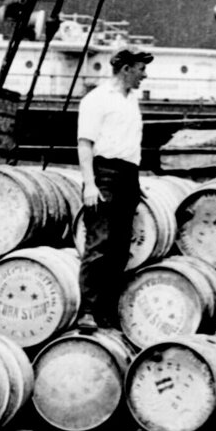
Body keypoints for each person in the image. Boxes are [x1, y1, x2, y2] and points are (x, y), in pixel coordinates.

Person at [75, 46, 153, 332]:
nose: (144, 76)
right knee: (99, 244)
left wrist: (135, 181)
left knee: (121, 249)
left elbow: (127, 144)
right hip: (104, 173)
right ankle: (88, 310)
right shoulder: (96, 99)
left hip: (127, 176)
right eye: (141, 69)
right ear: (126, 69)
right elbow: (85, 143)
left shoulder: (132, 100)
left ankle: (107, 311)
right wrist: (90, 184)